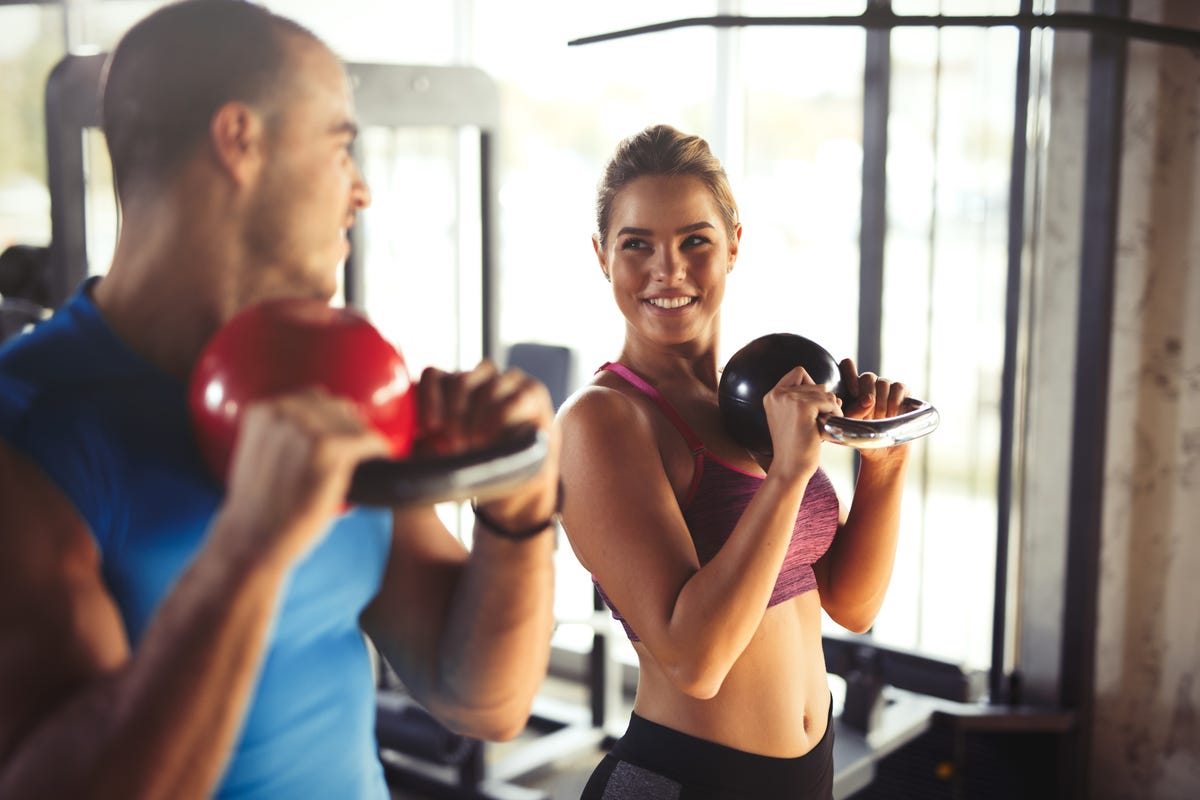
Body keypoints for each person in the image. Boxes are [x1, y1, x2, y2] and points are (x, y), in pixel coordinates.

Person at [0, 1, 560, 797]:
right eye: (340, 149)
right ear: (240, 140)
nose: (360, 193)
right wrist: (249, 547)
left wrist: (521, 515)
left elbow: (482, 699)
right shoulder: (28, 430)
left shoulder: (331, 379)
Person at [556, 124, 915, 799]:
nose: (669, 271)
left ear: (734, 245)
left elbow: (850, 604)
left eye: (695, 240)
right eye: (638, 245)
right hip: (687, 779)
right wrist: (787, 475)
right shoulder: (602, 421)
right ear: (602, 256)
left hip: (808, 774)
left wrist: (883, 465)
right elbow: (695, 661)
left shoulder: (754, 400)